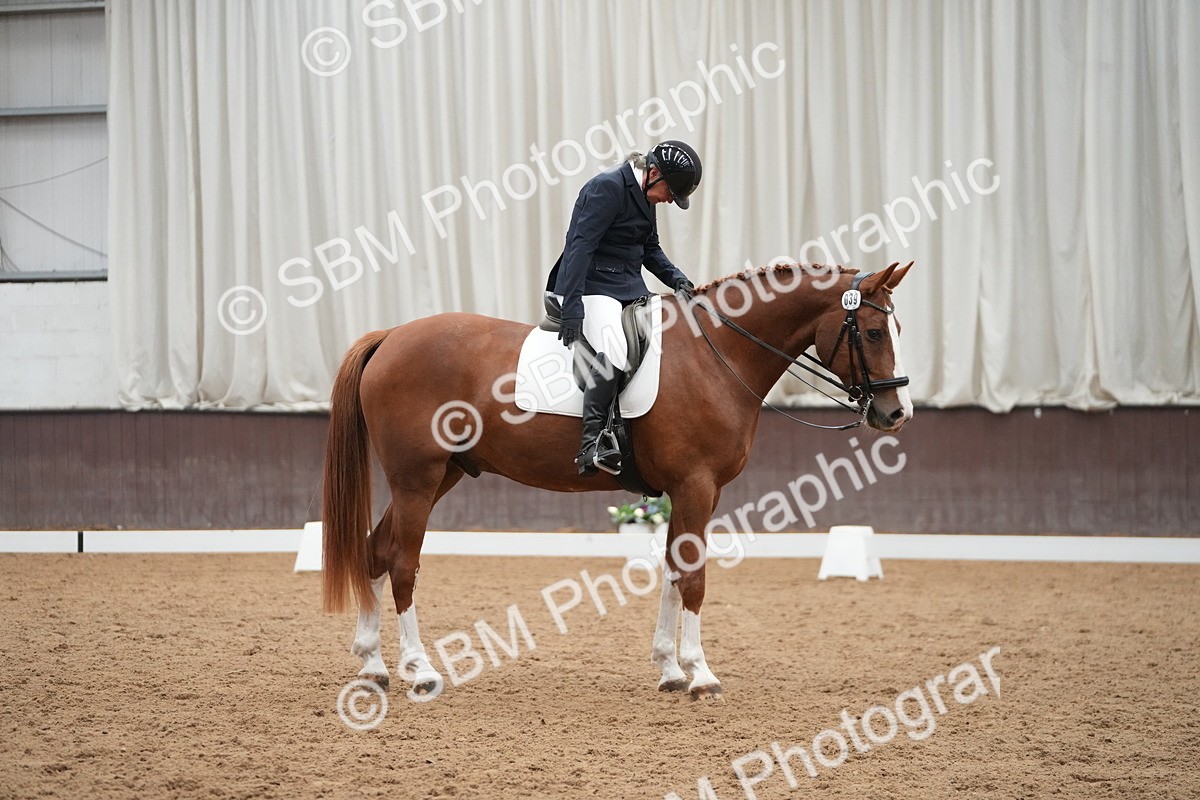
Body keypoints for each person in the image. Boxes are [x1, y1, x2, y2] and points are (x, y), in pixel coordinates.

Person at [544, 140, 701, 475]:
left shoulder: (646, 193)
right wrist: (572, 307)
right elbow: (578, 248)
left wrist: (677, 279)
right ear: (654, 173)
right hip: (592, 287)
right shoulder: (607, 188)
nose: (670, 200)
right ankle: (592, 444)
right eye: (670, 193)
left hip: (628, 289)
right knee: (614, 351)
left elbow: (650, 248)